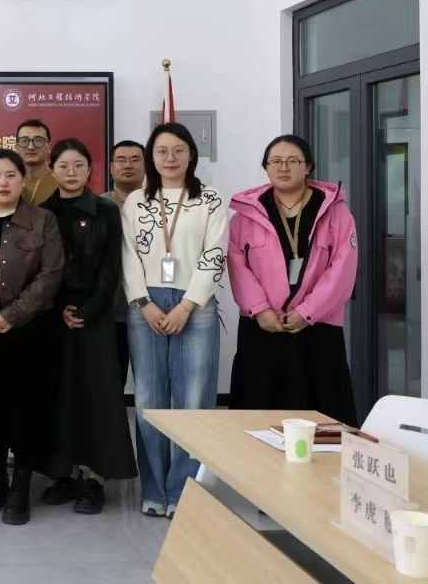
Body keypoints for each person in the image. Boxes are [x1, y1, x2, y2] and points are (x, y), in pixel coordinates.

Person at [121, 122, 228, 519]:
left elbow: (215, 254)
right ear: (152, 156)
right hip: (145, 303)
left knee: (194, 399)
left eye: (178, 150)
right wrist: (143, 302)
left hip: (195, 304)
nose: (170, 158)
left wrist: (187, 305)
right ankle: (154, 490)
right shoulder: (136, 201)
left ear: (191, 155)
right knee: (149, 399)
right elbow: (128, 256)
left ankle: (184, 490)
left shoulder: (210, 199)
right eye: (162, 151)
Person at [0, 148, 64, 526]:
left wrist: (11, 315)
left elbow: (50, 275)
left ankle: (21, 483)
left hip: (29, 331)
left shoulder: (43, 220)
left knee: (26, 408)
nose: (3, 182)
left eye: (10, 175)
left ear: (23, 180)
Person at [228, 135, 358, 425]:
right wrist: (260, 309)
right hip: (263, 325)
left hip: (317, 326)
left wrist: (307, 311)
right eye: (275, 161)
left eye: (292, 161)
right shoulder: (246, 214)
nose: (283, 167)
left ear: (308, 166)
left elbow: (342, 269)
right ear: (266, 167)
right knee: (258, 409)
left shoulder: (335, 213)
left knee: (321, 413)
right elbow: (237, 265)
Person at [41, 139, 137, 515]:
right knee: (60, 395)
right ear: (52, 169)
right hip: (55, 318)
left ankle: (96, 478)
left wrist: (90, 309)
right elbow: (41, 269)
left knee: (99, 396)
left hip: (96, 316)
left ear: (89, 169)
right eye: (63, 166)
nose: (71, 172)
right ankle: (64, 472)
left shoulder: (106, 210)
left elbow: (113, 268)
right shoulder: (42, 212)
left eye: (78, 165)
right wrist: (59, 309)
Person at [104, 140, 146, 381]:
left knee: (151, 384)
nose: (128, 165)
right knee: (110, 382)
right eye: (121, 160)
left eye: (135, 159)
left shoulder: (159, 204)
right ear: (111, 167)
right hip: (109, 312)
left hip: (151, 309)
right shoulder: (97, 206)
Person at [16, 119, 56, 206]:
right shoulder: (8, 181)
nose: (31, 147)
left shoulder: (60, 181)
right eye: (24, 141)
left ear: (49, 147)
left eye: (38, 140)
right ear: (17, 147)